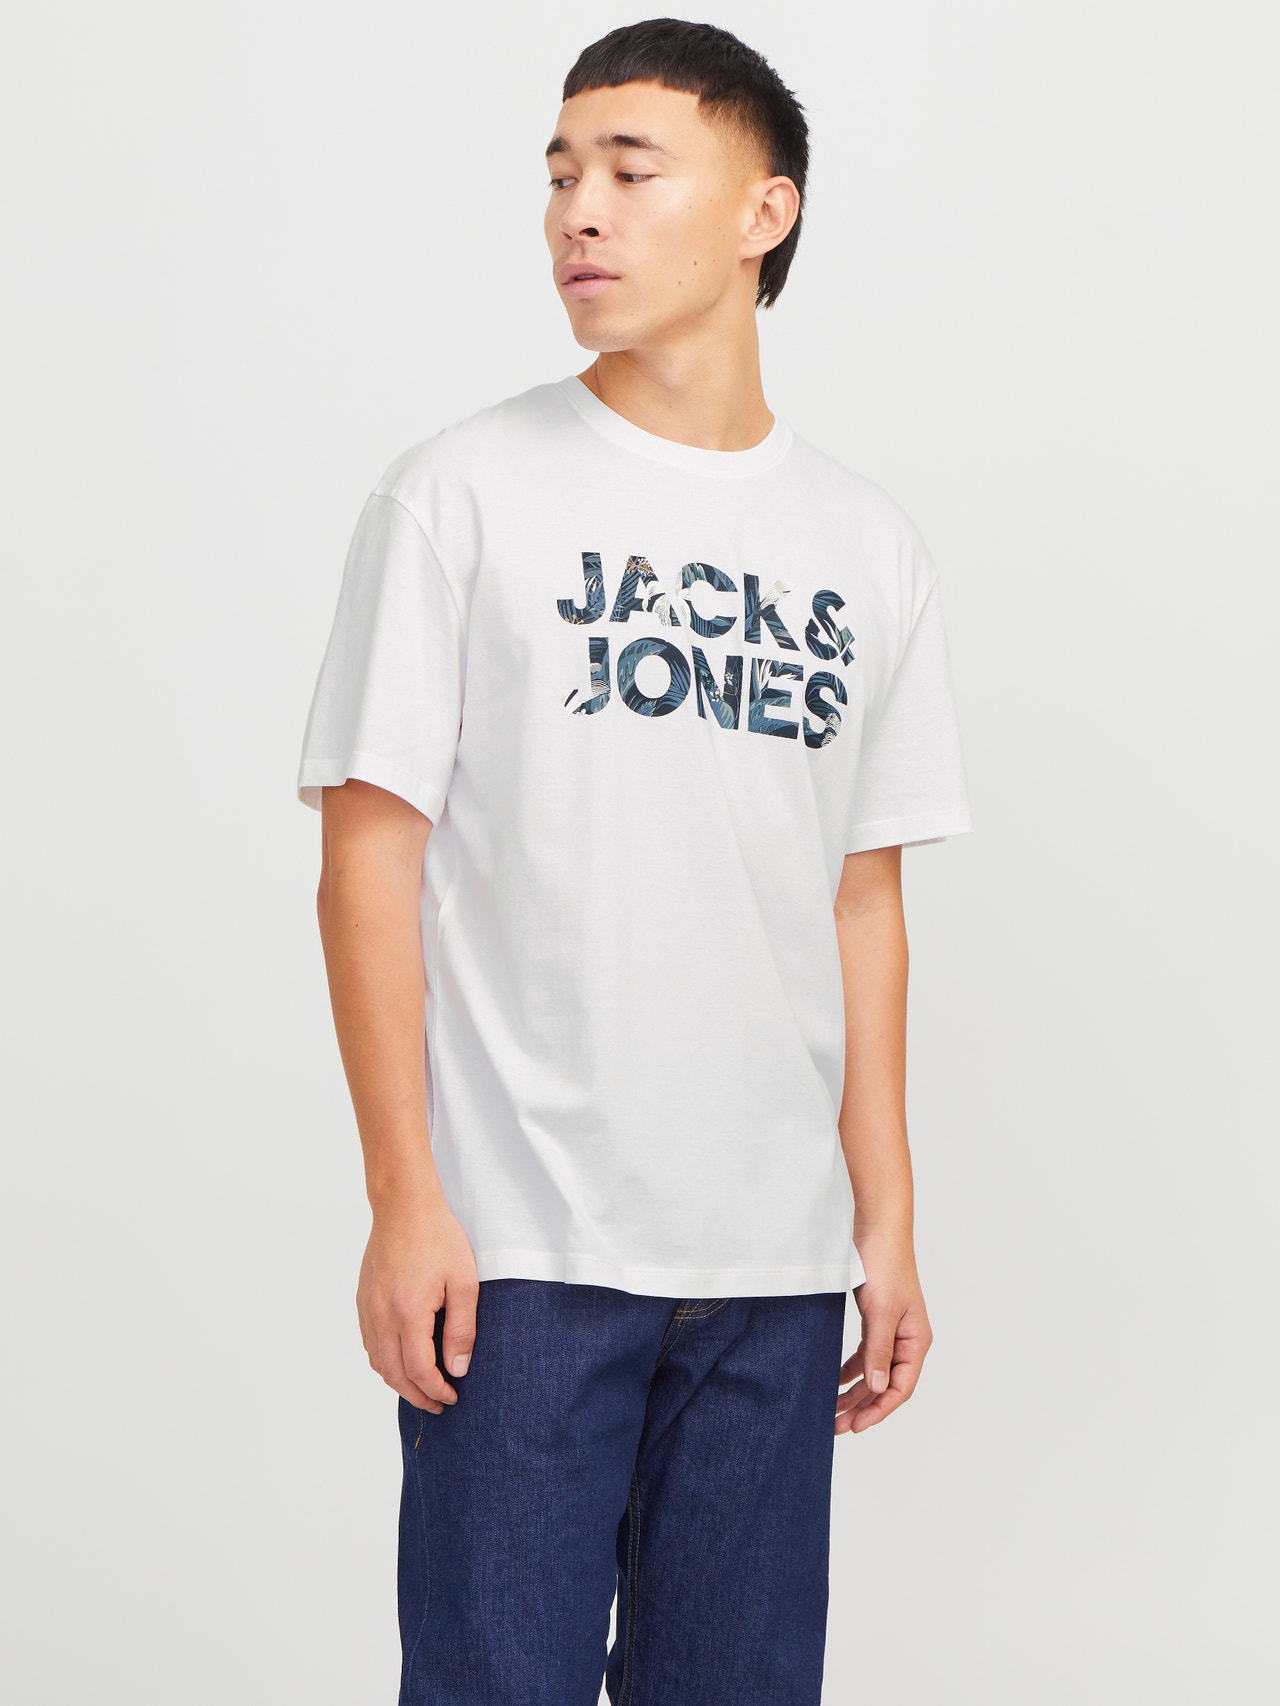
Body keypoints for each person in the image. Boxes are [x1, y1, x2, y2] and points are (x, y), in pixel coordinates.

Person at [295, 17, 972, 1705]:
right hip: (521, 1257)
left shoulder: (866, 545)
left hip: (770, 1267)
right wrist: (404, 1198)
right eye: (559, 174)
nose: (576, 212)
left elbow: (861, 900)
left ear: (764, 211)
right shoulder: (459, 497)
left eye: (630, 168)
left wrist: (885, 1219)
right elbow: (368, 861)